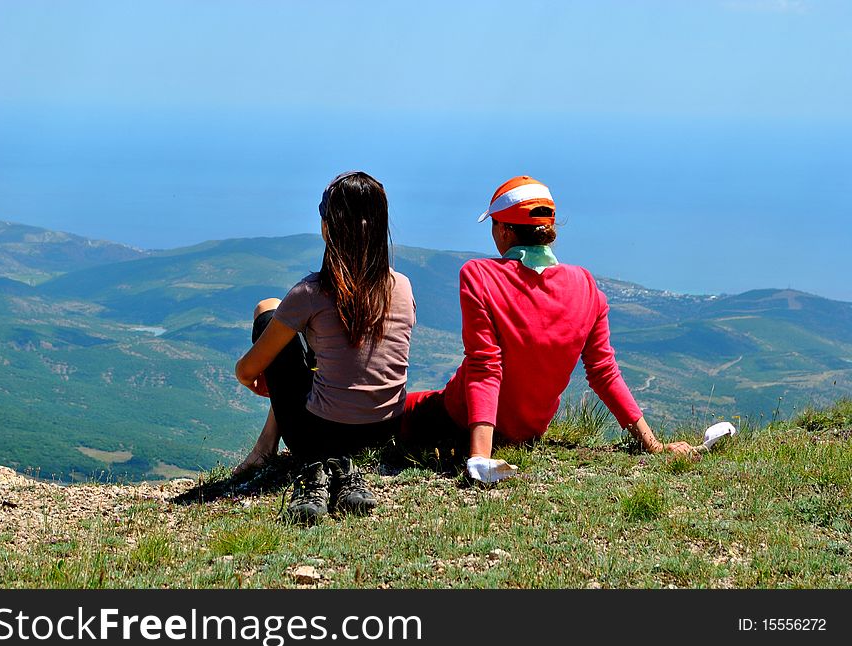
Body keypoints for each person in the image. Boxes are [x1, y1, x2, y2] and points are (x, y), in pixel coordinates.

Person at [400, 175, 693, 483]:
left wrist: (480, 458)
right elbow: (604, 371)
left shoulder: (479, 276)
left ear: (504, 229)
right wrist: (654, 445)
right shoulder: (586, 285)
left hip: (458, 417)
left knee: (396, 411)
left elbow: (484, 368)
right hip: (529, 430)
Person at [234, 171, 415, 522]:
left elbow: (246, 370)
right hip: (386, 430)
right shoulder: (403, 286)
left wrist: (265, 382)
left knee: (266, 313)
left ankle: (265, 448)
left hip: (317, 438)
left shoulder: (311, 293)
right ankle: (265, 445)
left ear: (328, 227)